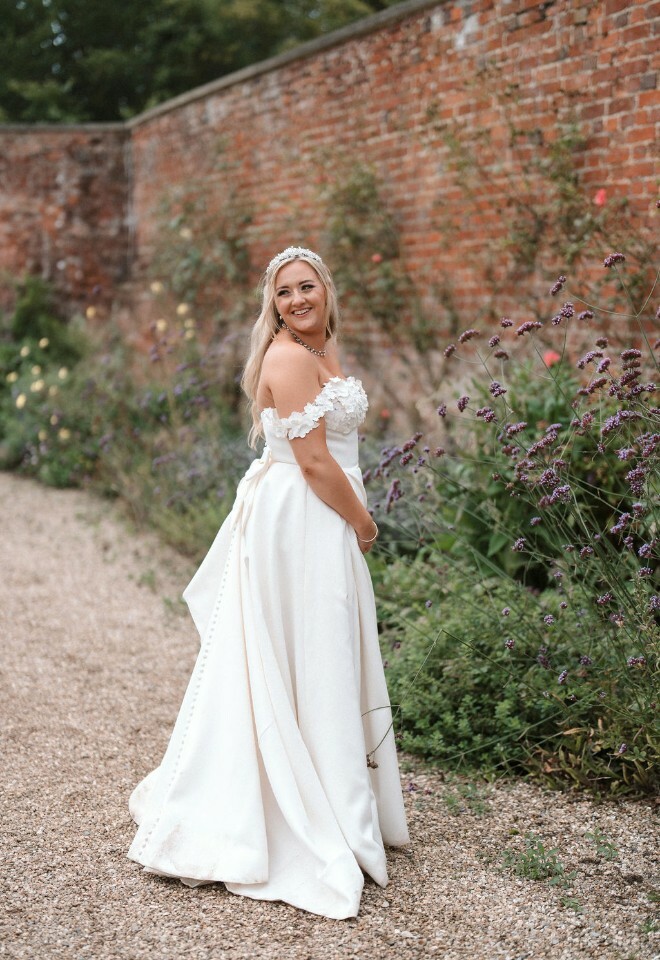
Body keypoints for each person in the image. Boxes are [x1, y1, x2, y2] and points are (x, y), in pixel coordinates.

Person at [127, 246, 409, 920]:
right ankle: (304, 809)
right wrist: (365, 525)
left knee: (320, 652)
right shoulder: (287, 356)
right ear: (272, 303)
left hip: (315, 516)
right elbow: (313, 463)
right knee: (304, 649)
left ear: (326, 290)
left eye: (306, 287)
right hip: (302, 521)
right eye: (284, 293)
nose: (296, 301)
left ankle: (330, 786)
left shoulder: (323, 346)